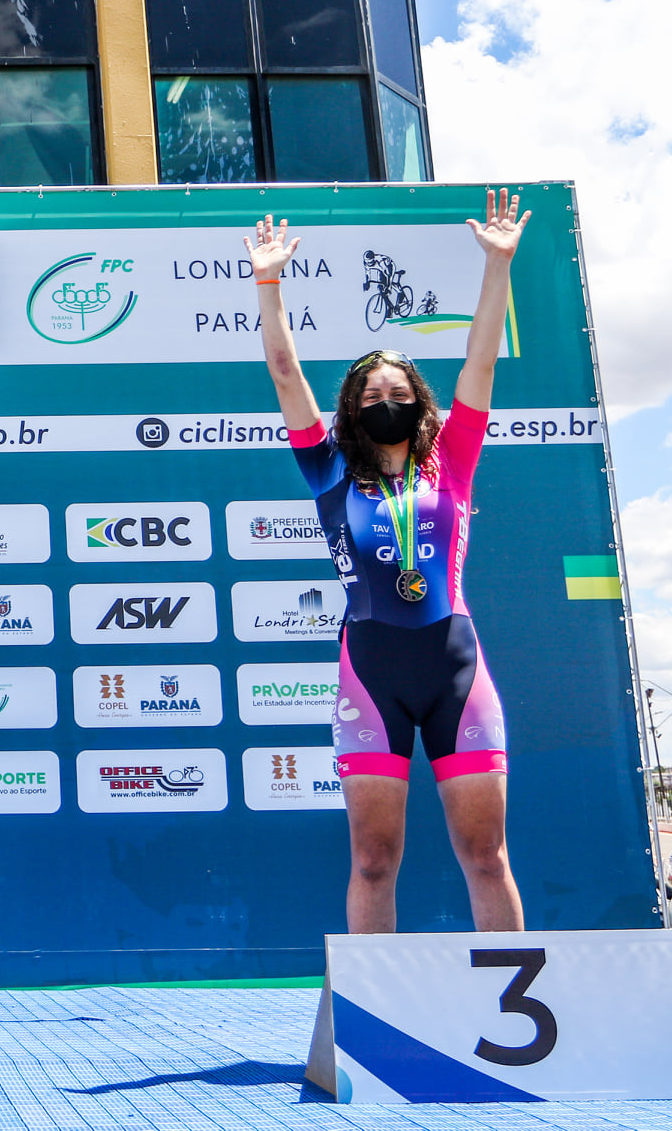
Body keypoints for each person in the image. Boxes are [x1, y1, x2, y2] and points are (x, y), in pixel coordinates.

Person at [246, 190, 531, 933]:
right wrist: (268, 283)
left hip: (454, 668)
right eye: (371, 393)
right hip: (371, 672)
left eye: (398, 391)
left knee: (486, 855)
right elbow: (284, 372)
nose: (385, 399)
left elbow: (480, 358)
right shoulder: (328, 469)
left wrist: (497, 266)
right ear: (351, 407)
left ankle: (510, 998)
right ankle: (372, 1002)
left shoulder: (454, 459)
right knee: (373, 859)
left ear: (420, 404)